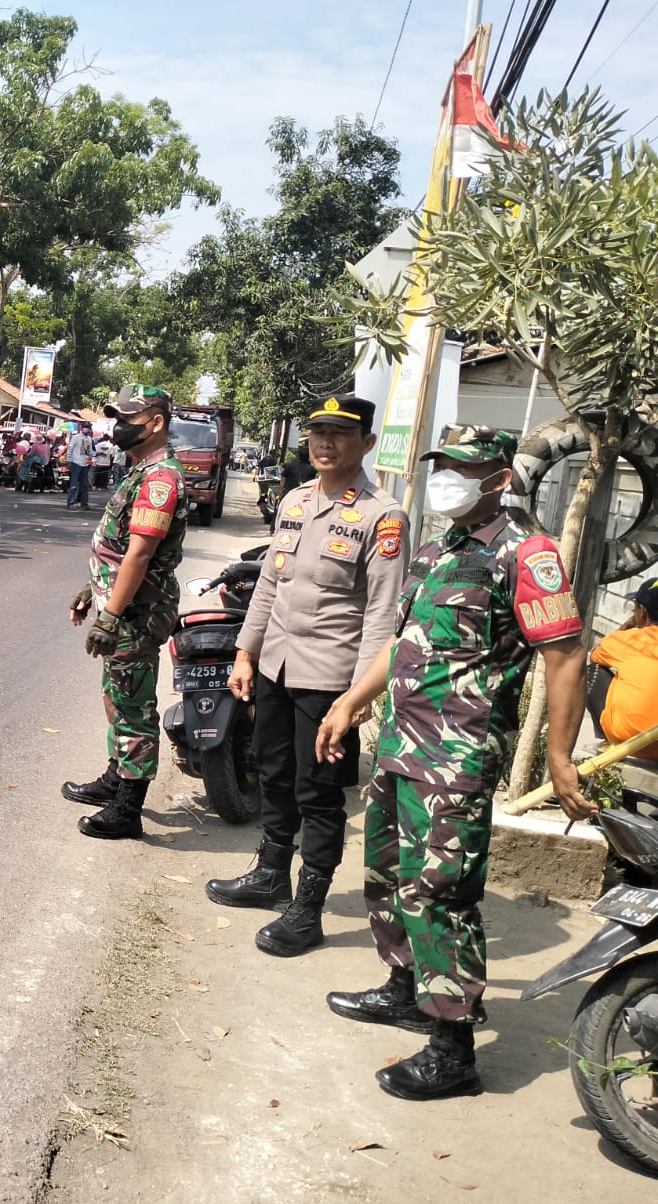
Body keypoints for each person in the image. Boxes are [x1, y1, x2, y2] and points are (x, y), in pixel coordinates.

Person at [317, 424, 592, 1102]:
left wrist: (559, 757)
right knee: (386, 874)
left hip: (458, 756)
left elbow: (565, 656)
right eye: (442, 466)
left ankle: (452, 1047)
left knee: (441, 892)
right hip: (400, 745)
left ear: (500, 478)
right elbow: (402, 642)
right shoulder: (438, 549)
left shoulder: (528, 555)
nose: (447, 480)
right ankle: (404, 987)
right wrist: (351, 701)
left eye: (464, 469)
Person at [204, 396, 409, 956]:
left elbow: (382, 615)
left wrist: (358, 695)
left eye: (340, 434)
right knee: (273, 773)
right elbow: (270, 585)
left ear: (366, 444)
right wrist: (245, 654)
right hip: (276, 664)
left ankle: (308, 908)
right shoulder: (295, 500)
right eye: (318, 432)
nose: (325, 443)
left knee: (317, 793)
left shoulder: (382, 516)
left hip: (329, 679)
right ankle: (271, 874)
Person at [62, 389, 186, 838]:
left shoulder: (160, 479)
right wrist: (93, 590)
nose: (119, 427)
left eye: (129, 418)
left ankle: (128, 809)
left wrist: (110, 616)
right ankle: (116, 778)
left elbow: (140, 554)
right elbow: (116, 549)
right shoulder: (141, 470)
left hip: (136, 612)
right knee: (116, 694)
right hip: (122, 604)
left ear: (156, 423)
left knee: (133, 705)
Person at [590, 576, 658, 743]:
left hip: (628, 742)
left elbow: (595, 654)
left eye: (635, 607)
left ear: (643, 610)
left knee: (592, 672)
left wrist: (625, 628)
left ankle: (605, 741)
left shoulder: (631, 640)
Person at [66, 424, 93, 509]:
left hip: (85, 463)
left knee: (84, 485)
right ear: (82, 429)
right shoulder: (76, 437)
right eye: (85, 427)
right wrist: (69, 460)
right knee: (74, 484)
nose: (86, 429)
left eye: (88, 428)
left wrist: (95, 455)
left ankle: (84, 503)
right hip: (76, 462)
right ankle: (71, 503)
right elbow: (70, 448)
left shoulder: (89, 439)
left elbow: (89, 451)